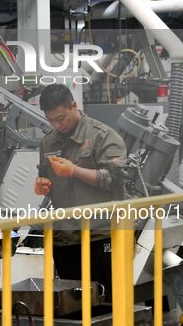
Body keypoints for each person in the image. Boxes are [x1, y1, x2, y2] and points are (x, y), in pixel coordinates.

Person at [35, 84, 127, 300]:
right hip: (65, 238)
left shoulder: (103, 137)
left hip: (100, 234)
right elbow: (45, 177)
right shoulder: (48, 141)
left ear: (74, 106)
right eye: (51, 121)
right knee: (74, 304)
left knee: (108, 301)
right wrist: (41, 185)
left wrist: (74, 171)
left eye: (61, 118)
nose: (57, 125)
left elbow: (116, 180)